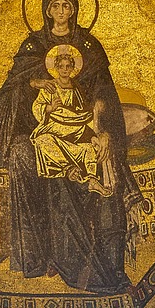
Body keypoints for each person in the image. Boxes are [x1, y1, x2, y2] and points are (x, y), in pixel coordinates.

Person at [0, 0, 141, 293]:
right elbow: (9, 94)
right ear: (47, 11)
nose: (61, 12)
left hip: (85, 129)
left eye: (67, 6)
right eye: (55, 6)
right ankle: (38, 256)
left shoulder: (89, 46)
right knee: (24, 154)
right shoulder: (33, 46)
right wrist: (36, 83)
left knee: (100, 162)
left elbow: (105, 95)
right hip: (46, 131)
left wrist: (105, 131)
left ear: (74, 10)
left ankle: (106, 264)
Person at [29, 45, 113, 197]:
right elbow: (37, 106)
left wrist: (93, 130)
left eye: (68, 66)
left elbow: (83, 113)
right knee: (42, 141)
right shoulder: (50, 86)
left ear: (73, 68)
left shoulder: (76, 88)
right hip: (55, 126)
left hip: (75, 127)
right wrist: (49, 108)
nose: (65, 70)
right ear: (56, 68)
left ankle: (92, 180)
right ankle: (68, 168)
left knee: (88, 148)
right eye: (61, 66)